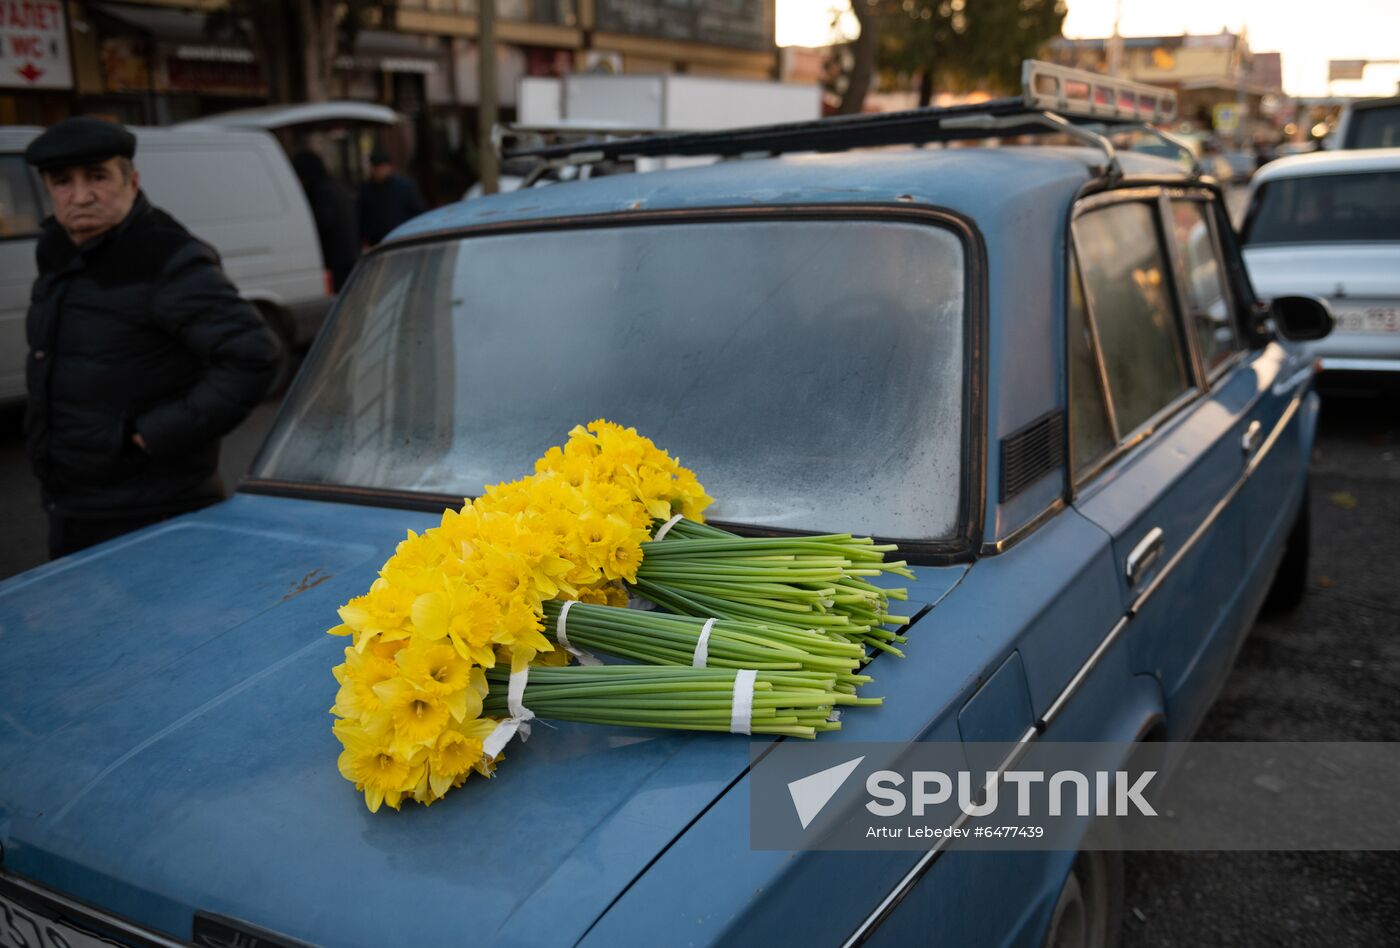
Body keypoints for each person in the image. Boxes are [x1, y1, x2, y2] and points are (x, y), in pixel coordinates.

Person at [23, 116, 279, 559]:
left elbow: (253, 356)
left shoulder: (165, 257)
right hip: (74, 504)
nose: (80, 195)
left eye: (98, 177)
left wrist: (154, 433)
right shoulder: (60, 250)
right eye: (63, 181)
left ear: (132, 180)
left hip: (154, 511)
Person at [291, 148, 359, 291]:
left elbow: (325, 220)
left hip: (337, 259)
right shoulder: (334, 185)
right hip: (347, 255)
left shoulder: (322, 191)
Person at [358, 148, 426, 247]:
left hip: (402, 239)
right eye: (376, 168)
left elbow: (418, 212)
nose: (378, 171)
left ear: (388, 167)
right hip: (378, 242)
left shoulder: (404, 187)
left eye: (381, 167)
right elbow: (363, 218)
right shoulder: (366, 190)